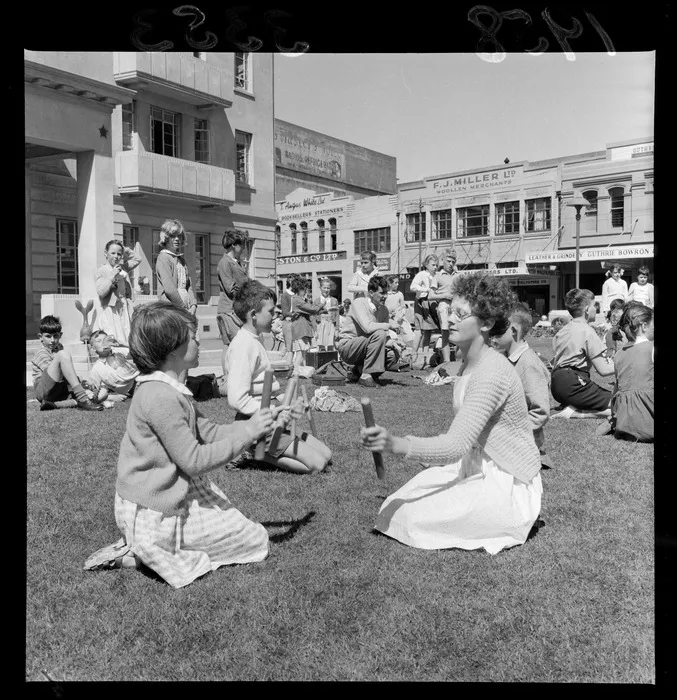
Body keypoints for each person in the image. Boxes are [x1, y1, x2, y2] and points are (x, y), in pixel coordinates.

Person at [83, 302, 273, 586]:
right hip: (152, 506)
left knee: (250, 535)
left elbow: (207, 431)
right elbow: (194, 460)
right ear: (173, 350)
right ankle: (144, 552)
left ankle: (148, 550)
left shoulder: (169, 390)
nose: (198, 341)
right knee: (254, 538)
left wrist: (255, 423)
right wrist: (248, 434)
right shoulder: (160, 397)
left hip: (166, 492)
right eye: (192, 336)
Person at [360, 272, 542, 554]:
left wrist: (395, 444)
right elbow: (463, 438)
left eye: (460, 313)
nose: (450, 318)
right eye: (450, 311)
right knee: (398, 504)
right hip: (474, 463)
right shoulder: (467, 362)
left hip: (506, 477)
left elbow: (454, 445)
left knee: (409, 515)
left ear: (487, 324)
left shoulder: (491, 372)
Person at [224, 280, 332, 474]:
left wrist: (287, 403)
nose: (276, 316)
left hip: (274, 420)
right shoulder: (242, 346)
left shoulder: (254, 340)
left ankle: (260, 450)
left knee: (326, 454)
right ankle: (254, 452)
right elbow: (236, 398)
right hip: (257, 424)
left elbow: (263, 389)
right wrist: (273, 411)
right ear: (254, 315)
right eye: (271, 311)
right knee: (318, 464)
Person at [493, 305, 553, 469]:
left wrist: (509, 432)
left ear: (513, 331)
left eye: (498, 332)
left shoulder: (528, 364)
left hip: (523, 445)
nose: (493, 336)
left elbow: (540, 411)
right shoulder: (507, 358)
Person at [550, 288, 615, 419]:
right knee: (621, 404)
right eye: (594, 305)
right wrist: (627, 363)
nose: (596, 309)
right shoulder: (587, 331)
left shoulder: (562, 331)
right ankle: (576, 413)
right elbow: (603, 370)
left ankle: (571, 405)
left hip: (556, 386)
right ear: (586, 309)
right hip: (574, 383)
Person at [597, 304, 654, 441]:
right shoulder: (651, 348)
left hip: (624, 425)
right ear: (644, 326)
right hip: (648, 424)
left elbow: (616, 391)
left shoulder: (619, 355)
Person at [337, 276, 401, 387]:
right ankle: (366, 376)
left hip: (367, 345)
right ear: (371, 293)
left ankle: (359, 371)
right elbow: (368, 327)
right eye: (381, 293)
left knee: (392, 354)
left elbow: (383, 338)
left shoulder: (384, 310)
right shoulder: (358, 303)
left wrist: (395, 345)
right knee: (379, 333)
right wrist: (389, 325)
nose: (385, 296)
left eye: (386, 292)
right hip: (348, 347)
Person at [32, 315, 103, 412]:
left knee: (94, 394)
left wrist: (84, 382)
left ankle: (54, 405)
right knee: (63, 355)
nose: (52, 340)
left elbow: (65, 375)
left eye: (55, 336)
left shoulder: (59, 347)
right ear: (40, 337)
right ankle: (82, 398)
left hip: (57, 389)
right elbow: (57, 374)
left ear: (60, 335)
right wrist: (80, 383)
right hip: (43, 388)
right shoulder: (41, 352)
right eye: (48, 336)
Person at [94, 240, 141, 346]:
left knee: (127, 334)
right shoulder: (102, 270)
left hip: (124, 306)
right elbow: (101, 291)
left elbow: (138, 259)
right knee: (114, 337)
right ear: (106, 253)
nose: (116, 256)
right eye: (113, 253)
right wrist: (111, 276)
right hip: (111, 309)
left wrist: (125, 249)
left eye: (119, 254)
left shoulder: (122, 267)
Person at [155, 219, 198, 317]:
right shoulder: (164, 258)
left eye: (179, 236)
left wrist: (193, 305)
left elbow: (189, 286)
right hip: (172, 309)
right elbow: (169, 289)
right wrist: (182, 308)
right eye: (173, 236)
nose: (177, 239)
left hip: (186, 308)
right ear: (166, 237)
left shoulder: (181, 259)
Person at [216, 227, 250, 348]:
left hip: (237, 310)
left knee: (237, 347)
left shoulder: (237, 262)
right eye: (242, 245)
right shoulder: (225, 262)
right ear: (234, 245)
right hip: (229, 311)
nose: (244, 248)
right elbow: (231, 289)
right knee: (233, 347)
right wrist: (249, 293)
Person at [86, 330, 140, 404]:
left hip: (141, 378)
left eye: (105, 339)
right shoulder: (97, 369)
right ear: (93, 348)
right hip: (132, 389)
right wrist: (111, 397)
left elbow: (140, 350)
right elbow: (93, 393)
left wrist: (122, 343)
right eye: (99, 341)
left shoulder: (120, 352)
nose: (103, 343)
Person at [428, 247, 459, 363]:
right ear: (443, 261)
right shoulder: (437, 276)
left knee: (458, 334)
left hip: (457, 307)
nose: (451, 264)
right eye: (448, 261)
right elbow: (430, 296)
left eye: (453, 262)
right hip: (444, 306)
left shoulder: (458, 276)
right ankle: (446, 362)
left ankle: (457, 362)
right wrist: (444, 296)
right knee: (445, 334)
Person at [410, 254, 440, 368]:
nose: (435, 267)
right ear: (426, 265)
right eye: (433, 265)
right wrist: (425, 289)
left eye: (437, 265)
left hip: (431, 303)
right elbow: (412, 287)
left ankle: (425, 358)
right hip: (421, 303)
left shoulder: (436, 276)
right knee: (419, 330)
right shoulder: (421, 274)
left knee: (428, 331)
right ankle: (413, 357)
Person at [290, 277, 321, 367]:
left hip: (302, 329)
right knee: (300, 354)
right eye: (304, 289)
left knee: (303, 353)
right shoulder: (297, 300)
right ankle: (295, 372)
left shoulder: (299, 299)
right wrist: (322, 305)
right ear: (299, 289)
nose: (306, 291)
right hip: (300, 330)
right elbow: (311, 309)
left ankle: (301, 371)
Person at [313, 277, 339, 350]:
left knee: (331, 345)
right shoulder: (316, 301)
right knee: (321, 346)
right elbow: (313, 316)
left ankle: (331, 360)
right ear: (320, 288)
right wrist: (315, 330)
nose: (326, 290)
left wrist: (337, 329)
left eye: (328, 288)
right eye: (324, 288)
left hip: (331, 324)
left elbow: (337, 316)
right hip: (320, 324)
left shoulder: (334, 300)